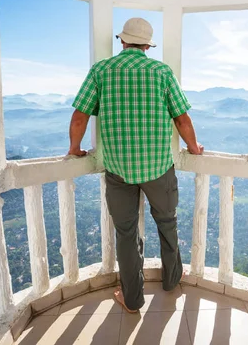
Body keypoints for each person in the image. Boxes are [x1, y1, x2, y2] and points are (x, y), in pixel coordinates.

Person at [68, 17, 203, 313]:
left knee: (127, 234)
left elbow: (80, 115)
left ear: (122, 40)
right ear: (147, 45)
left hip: (118, 170)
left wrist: (75, 148)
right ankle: (171, 280)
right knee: (167, 224)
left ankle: (131, 300)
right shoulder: (161, 72)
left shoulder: (101, 70)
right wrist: (194, 148)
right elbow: (181, 118)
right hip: (158, 167)